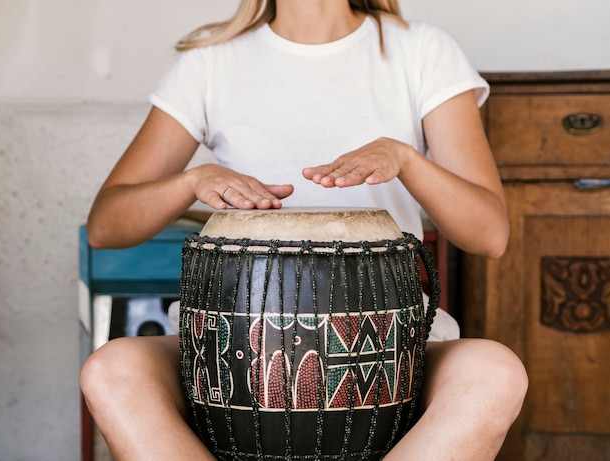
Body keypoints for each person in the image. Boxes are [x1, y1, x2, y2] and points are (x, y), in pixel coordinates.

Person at [80, 1, 528, 460]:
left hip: (388, 345)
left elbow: (489, 235)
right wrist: (193, 180)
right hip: (233, 345)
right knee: (112, 369)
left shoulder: (421, 50)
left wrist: (406, 159)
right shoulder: (210, 61)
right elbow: (106, 225)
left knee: (494, 372)